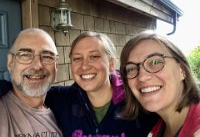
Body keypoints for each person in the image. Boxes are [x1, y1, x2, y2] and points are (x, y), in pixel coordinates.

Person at [0, 31, 158, 137]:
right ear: (9, 62)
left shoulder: (138, 102)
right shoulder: (63, 99)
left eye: (94, 56)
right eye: (77, 58)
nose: (84, 66)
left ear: (111, 64)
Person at [119, 31, 200, 137]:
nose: (142, 77)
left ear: (182, 70)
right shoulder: (155, 130)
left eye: (155, 62)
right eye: (132, 68)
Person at [0, 28, 62, 137]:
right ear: (10, 63)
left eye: (47, 56)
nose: (37, 66)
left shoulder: (65, 114)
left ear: (56, 65)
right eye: (25, 55)